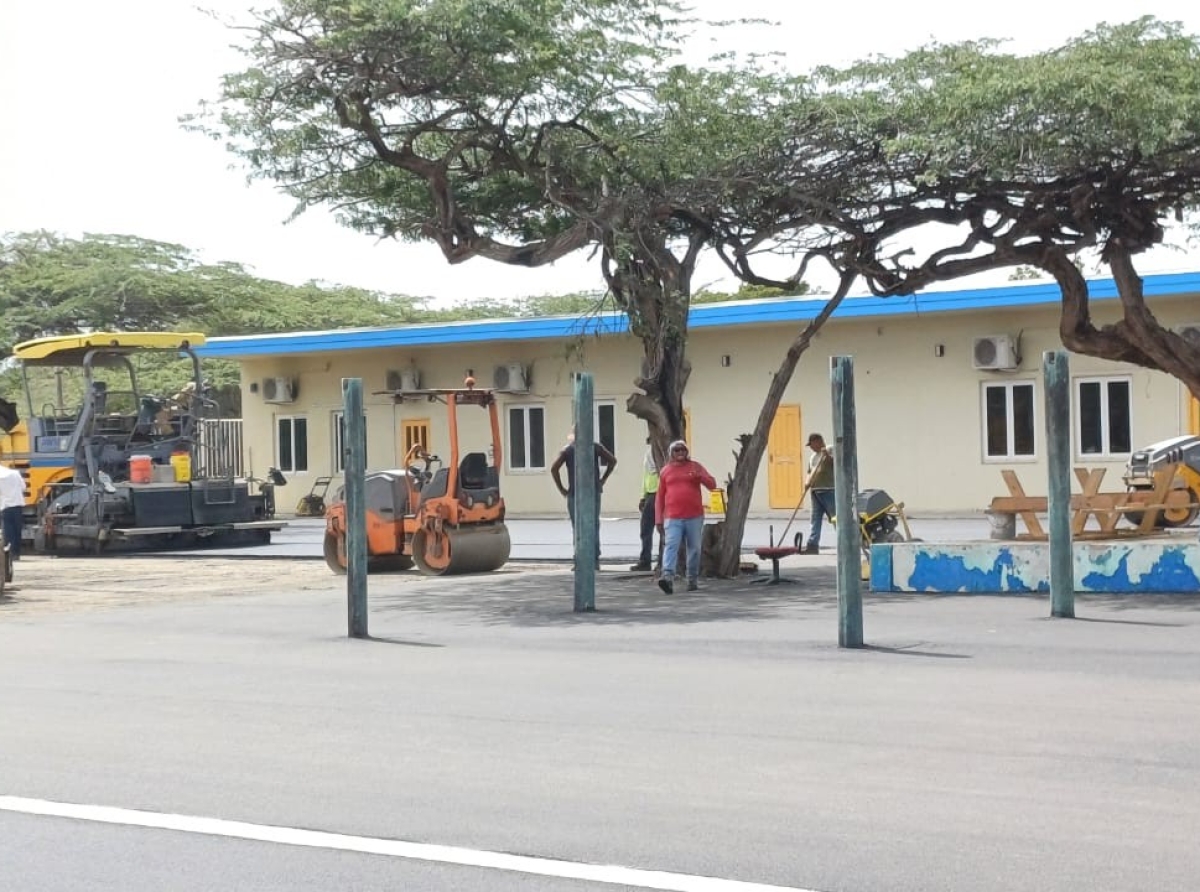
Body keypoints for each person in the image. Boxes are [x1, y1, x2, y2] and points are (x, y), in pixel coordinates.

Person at [655, 440, 716, 594]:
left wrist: (701, 476)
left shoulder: (695, 467)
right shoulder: (665, 471)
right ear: (671, 453)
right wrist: (658, 519)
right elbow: (660, 498)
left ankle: (692, 580)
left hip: (694, 516)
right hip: (672, 517)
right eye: (676, 450)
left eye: (683, 450)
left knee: (694, 548)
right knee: (671, 546)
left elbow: (712, 485)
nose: (680, 452)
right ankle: (667, 577)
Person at [550, 431, 617, 567]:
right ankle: (594, 560)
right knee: (593, 525)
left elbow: (554, 469)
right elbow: (613, 461)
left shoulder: (568, 450)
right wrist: (602, 479)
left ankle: (580, 560)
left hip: (576, 493)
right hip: (592, 491)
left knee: (578, 527)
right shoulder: (595, 447)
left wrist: (562, 489)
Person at [630, 438, 661, 572]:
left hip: (659, 494)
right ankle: (645, 560)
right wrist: (643, 496)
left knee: (661, 529)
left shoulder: (662, 454)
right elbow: (645, 476)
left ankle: (660, 561)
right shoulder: (649, 454)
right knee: (646, 530)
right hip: (650, 494)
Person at [805, 432, 835, 554]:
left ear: (818, 441)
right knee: (815, 519)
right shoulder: (812, 457)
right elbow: (809, 472)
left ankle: (844, 542)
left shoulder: (830, 449)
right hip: (815, 492)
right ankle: (812, 545)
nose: (811, 447)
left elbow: (834, 463)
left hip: (829, 490)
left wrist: (826, 454)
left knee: (835, 518)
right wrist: (807, 483)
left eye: (811, 444)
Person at [0, 461, 25, 561]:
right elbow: (23, 487)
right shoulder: (15, 474)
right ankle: (16, 553)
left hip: (5, 507)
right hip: (18, 506)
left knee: (8, 531)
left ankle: (9, 554)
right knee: (17, 531)